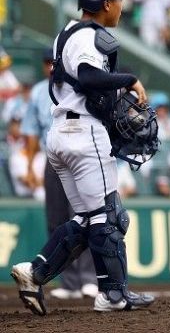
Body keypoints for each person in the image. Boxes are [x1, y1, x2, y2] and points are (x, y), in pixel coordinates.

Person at [10, 0, 154, 315]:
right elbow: (89, 77)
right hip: (83, 134)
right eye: (118, 1)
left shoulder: (67, 33)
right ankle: (114, 295)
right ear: (106, 4)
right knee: (110, 217)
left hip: (62, 134)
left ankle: (36, 272)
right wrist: (129, 80)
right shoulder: (88, 36)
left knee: (91, 219)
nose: (121, 8)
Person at [20, 47, 98, 300]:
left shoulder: (77, 86)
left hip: (78, 156)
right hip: (52, 158)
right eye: (46, 63)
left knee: (84, 217)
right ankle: (69, 281)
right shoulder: (38, 92)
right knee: (56, 220)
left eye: (53, 62)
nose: (50, 67)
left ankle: (89, 278)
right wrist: (30, 166)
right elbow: (31, 131)